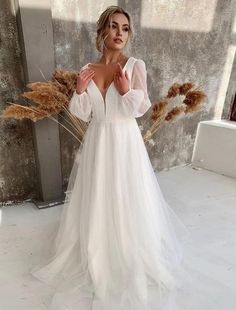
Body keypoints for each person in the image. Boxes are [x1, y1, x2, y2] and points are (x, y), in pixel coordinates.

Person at [30, 5, 236, 310]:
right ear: (102, 31)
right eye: (113, 26)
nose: (119, 34)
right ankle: (97, 244)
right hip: (98, 140)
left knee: (126, 193)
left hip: (124, 141)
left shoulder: (134, 65)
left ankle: (128, 247)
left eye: (125, 28)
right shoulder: (89, 67)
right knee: (98, 193)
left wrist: (126, 91)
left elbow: (139, 108)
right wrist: (80, 89)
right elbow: (82, 113)